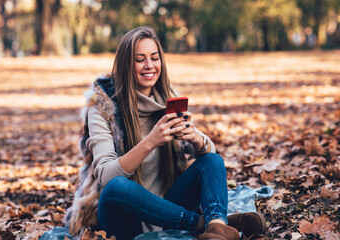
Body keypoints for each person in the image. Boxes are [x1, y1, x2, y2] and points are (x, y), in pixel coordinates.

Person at [64, 26, 267, 240]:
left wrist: (196, 139)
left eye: (154, 57)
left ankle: (216, 226)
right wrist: (150, 141)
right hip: (124, 218)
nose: (149, 65)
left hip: (170, 205)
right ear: (126, 64)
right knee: (116, 188)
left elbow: (209, 159)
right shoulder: (104, 107)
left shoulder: (167, 99)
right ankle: (200, 224)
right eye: (140, 59)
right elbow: (106, 177)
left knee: (212, 161)